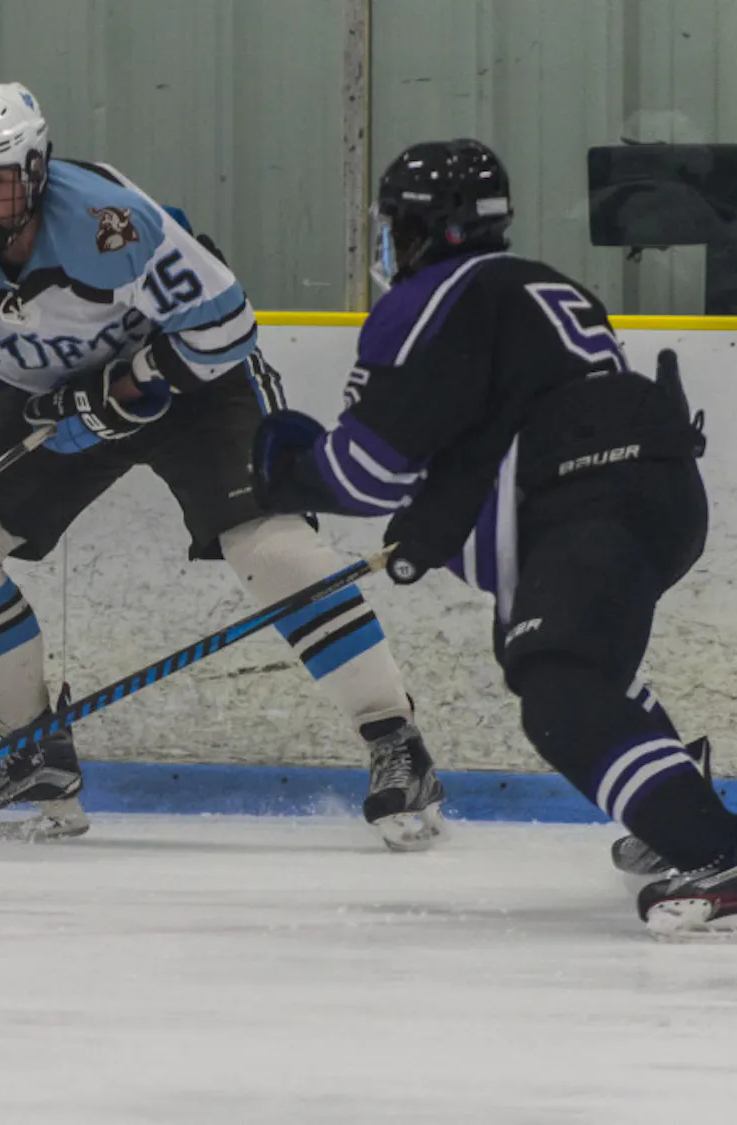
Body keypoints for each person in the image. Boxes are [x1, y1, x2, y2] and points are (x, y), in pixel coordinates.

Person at [0, 81, 442, 848]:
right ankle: (32, 751)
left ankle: (396, 740)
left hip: (193, 381)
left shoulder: (109, 221)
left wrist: (129, 384)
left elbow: (225, 325)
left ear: (36, 172)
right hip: (49, 396)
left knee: (272, 545)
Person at [249, 137, 734, 938]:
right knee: (573, 663)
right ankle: (674, 797)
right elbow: (486, 443)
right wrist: (429, 523)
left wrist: (289, 474)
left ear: (416, 229)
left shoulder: (426, 299)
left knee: (560, 691)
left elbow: (369, 473)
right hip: (660, 489)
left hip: (590, 497)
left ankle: (712, 848)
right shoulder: (543, 286)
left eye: (392, 224)